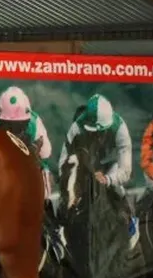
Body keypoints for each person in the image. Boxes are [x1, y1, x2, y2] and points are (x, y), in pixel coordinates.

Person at [59, 93, 140, 249]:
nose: (97, 136)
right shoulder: (77, 126)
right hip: (85, 165)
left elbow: (125, 170)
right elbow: (63, 162)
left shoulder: (120, 128)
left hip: (111, 167)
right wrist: (71, 190)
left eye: (100, 132)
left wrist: (108, 180)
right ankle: (60, 229)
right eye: (92, 132)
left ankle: (130, 222)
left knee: (117, 185)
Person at [0, 86, 54, 196]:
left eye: (17, 125)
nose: (14, 130)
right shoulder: (35, 123)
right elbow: (46, 153)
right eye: (9, 126)